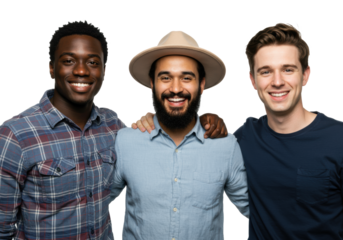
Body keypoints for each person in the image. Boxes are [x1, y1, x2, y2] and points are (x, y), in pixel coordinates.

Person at [133, 21, 343, 239]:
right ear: (253, 80)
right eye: (266, 71)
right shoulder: (244, 138)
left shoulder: (339, 140)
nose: (277, 81)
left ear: (305, 75)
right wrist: (157, 120)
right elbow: (201, 145)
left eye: (288, 70)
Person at [110, 29, 249, 239]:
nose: (176, 88)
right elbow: (92, 205)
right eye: (165, 77)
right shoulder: (125, 141)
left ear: (201, 84)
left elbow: (256, 211)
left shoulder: (226, 145)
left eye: (186, 77)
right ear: (152, 83)